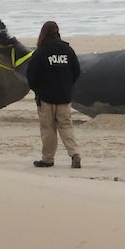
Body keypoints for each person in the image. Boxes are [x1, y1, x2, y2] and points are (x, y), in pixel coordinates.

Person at [24, 20, 82, 168]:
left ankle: (48, 159)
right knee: (66, 126)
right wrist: (67, 86)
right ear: (57, 32)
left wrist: (38, 90)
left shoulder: (41, 52)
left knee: (48, 128)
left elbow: (31, 75)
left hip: (46, 97)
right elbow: (76, 71)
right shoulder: (68, 50)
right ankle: (75, 153)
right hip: (64, 96)